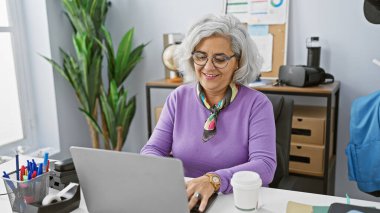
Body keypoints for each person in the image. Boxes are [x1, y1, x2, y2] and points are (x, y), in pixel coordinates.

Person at [141, 14, 276, 212]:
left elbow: (265, 166)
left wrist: (213, 180)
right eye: (201, 56)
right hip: (187, 200)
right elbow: (151, 150)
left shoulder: (257, 104)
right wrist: (165, 179)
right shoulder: (178, 98)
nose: (208, 66)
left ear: (237, 62)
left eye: (220, 59)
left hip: (235, 202)